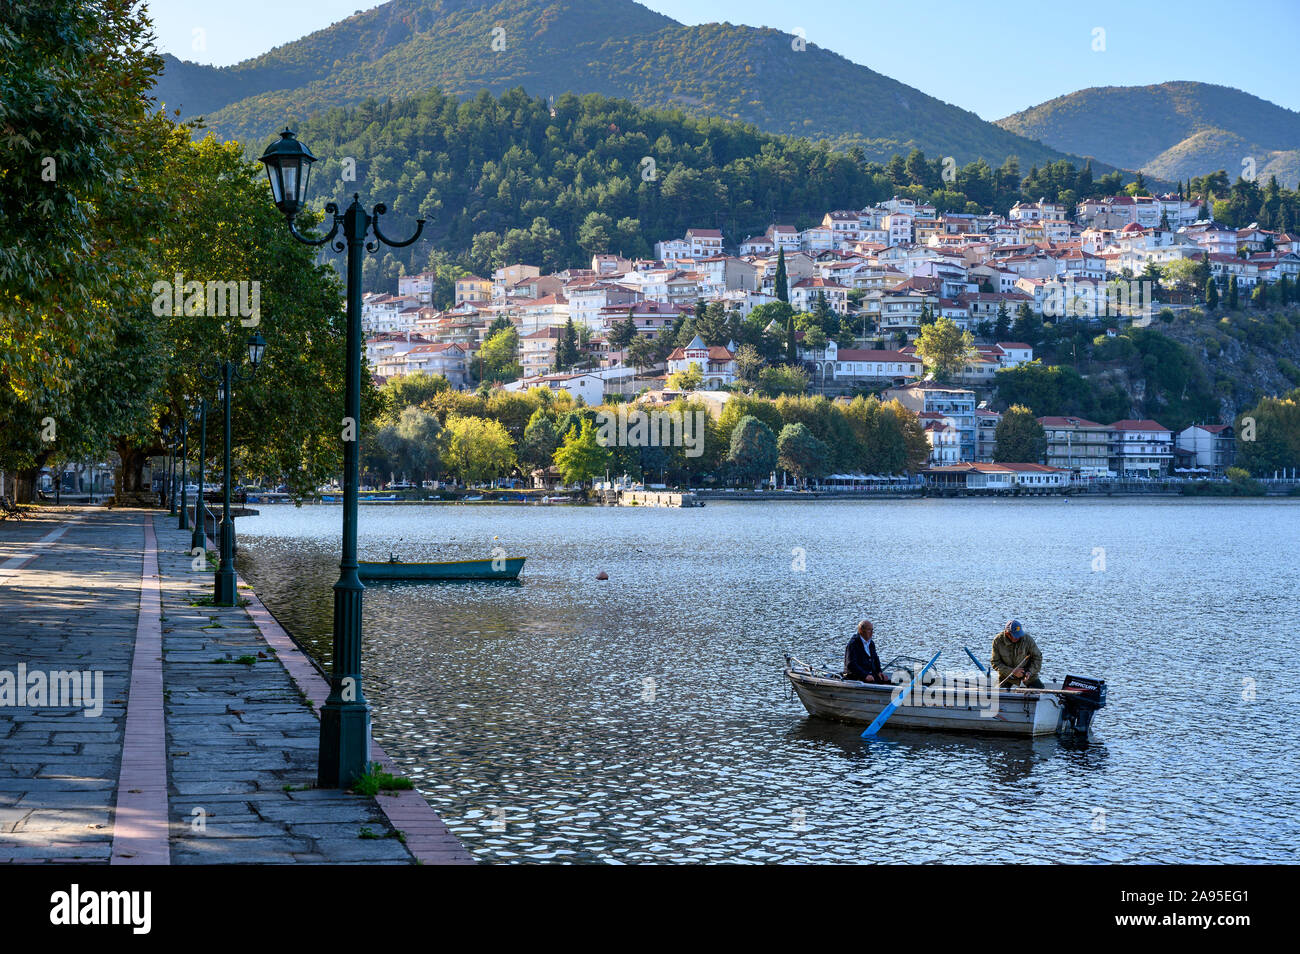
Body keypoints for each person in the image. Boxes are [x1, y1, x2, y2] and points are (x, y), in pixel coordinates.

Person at [990, 619, 1043, 688]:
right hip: (1006, 676)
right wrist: (1012, 671)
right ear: (1007, 634)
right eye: (1015, 636)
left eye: (1019, 635)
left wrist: (1029, 672)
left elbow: (1038, 658)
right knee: (1000, 694)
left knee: (1041, 692)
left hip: (1028, 675)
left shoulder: (1028, 640)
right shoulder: (997, 641)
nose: (1018, 637)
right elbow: (995, 662)